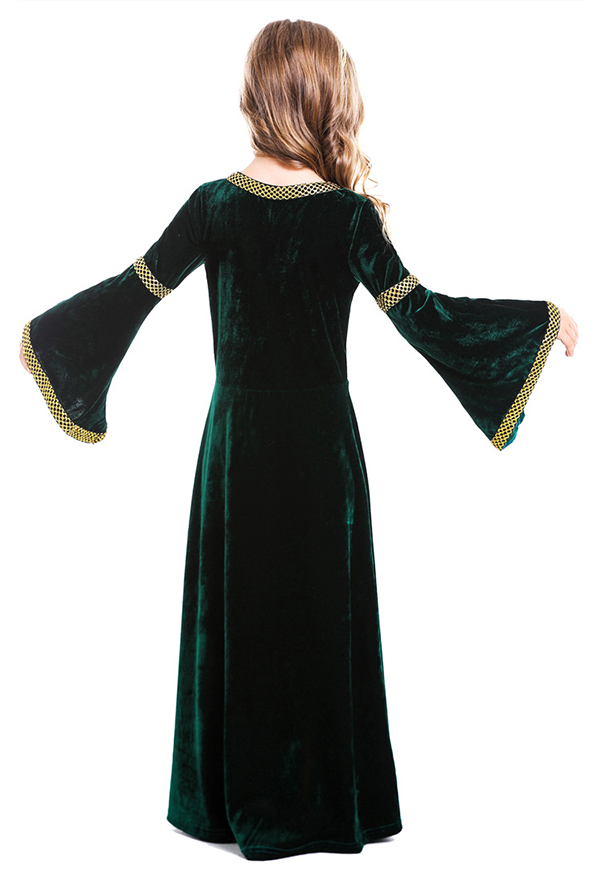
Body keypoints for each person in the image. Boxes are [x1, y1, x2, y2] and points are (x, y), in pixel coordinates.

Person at [18, 18, 578, 862]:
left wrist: (51, 340)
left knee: (239, 614)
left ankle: (227, 804)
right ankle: (324, 801)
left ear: (256, 95)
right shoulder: (344, 217)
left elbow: (132, 293)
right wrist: (539, 324)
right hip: (322, 455)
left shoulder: (216, 206)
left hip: (238, 449)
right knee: (320, 616)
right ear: (326, 96)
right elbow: (429, 318)